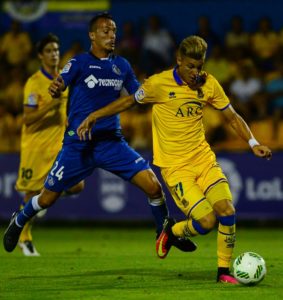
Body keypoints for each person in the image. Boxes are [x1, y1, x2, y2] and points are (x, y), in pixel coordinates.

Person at [74, 35, 272, 284]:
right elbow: (128, 101)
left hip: (203, 159)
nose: (195, 72)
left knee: (227, 211)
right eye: (190, 66)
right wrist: (95, 115)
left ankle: (223, 272)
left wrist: (253, 143)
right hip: (176, 168)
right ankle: (172, 230)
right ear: (178, 60)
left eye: (199, 67)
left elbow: (232, 117)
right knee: (207, 221)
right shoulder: (158, 84)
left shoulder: (208, 84)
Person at [3, 13, 194, 255]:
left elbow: (137, 96)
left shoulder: (122, 66)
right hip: (77, 145)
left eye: (113, 31)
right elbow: (61, 81)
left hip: (111, 143)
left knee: (154, 186)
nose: (111, 35)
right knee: (47, 199)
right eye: (105, 31)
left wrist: (158, 90)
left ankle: (163, 233)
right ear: (92, 35)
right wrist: (56, 86)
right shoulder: (80, 62)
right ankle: (19, 219)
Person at [14, 33, 84, 256]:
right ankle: (24, 238)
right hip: (36, 147)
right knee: (30, 194)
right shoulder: (34, 83)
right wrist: (50, 107)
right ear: (40, 56)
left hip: (59, 146)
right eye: (49, 51)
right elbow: (28, 118)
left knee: (77, 185)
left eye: (56, 50)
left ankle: (45, 195)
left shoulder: (64, 80)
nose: (54, 54)